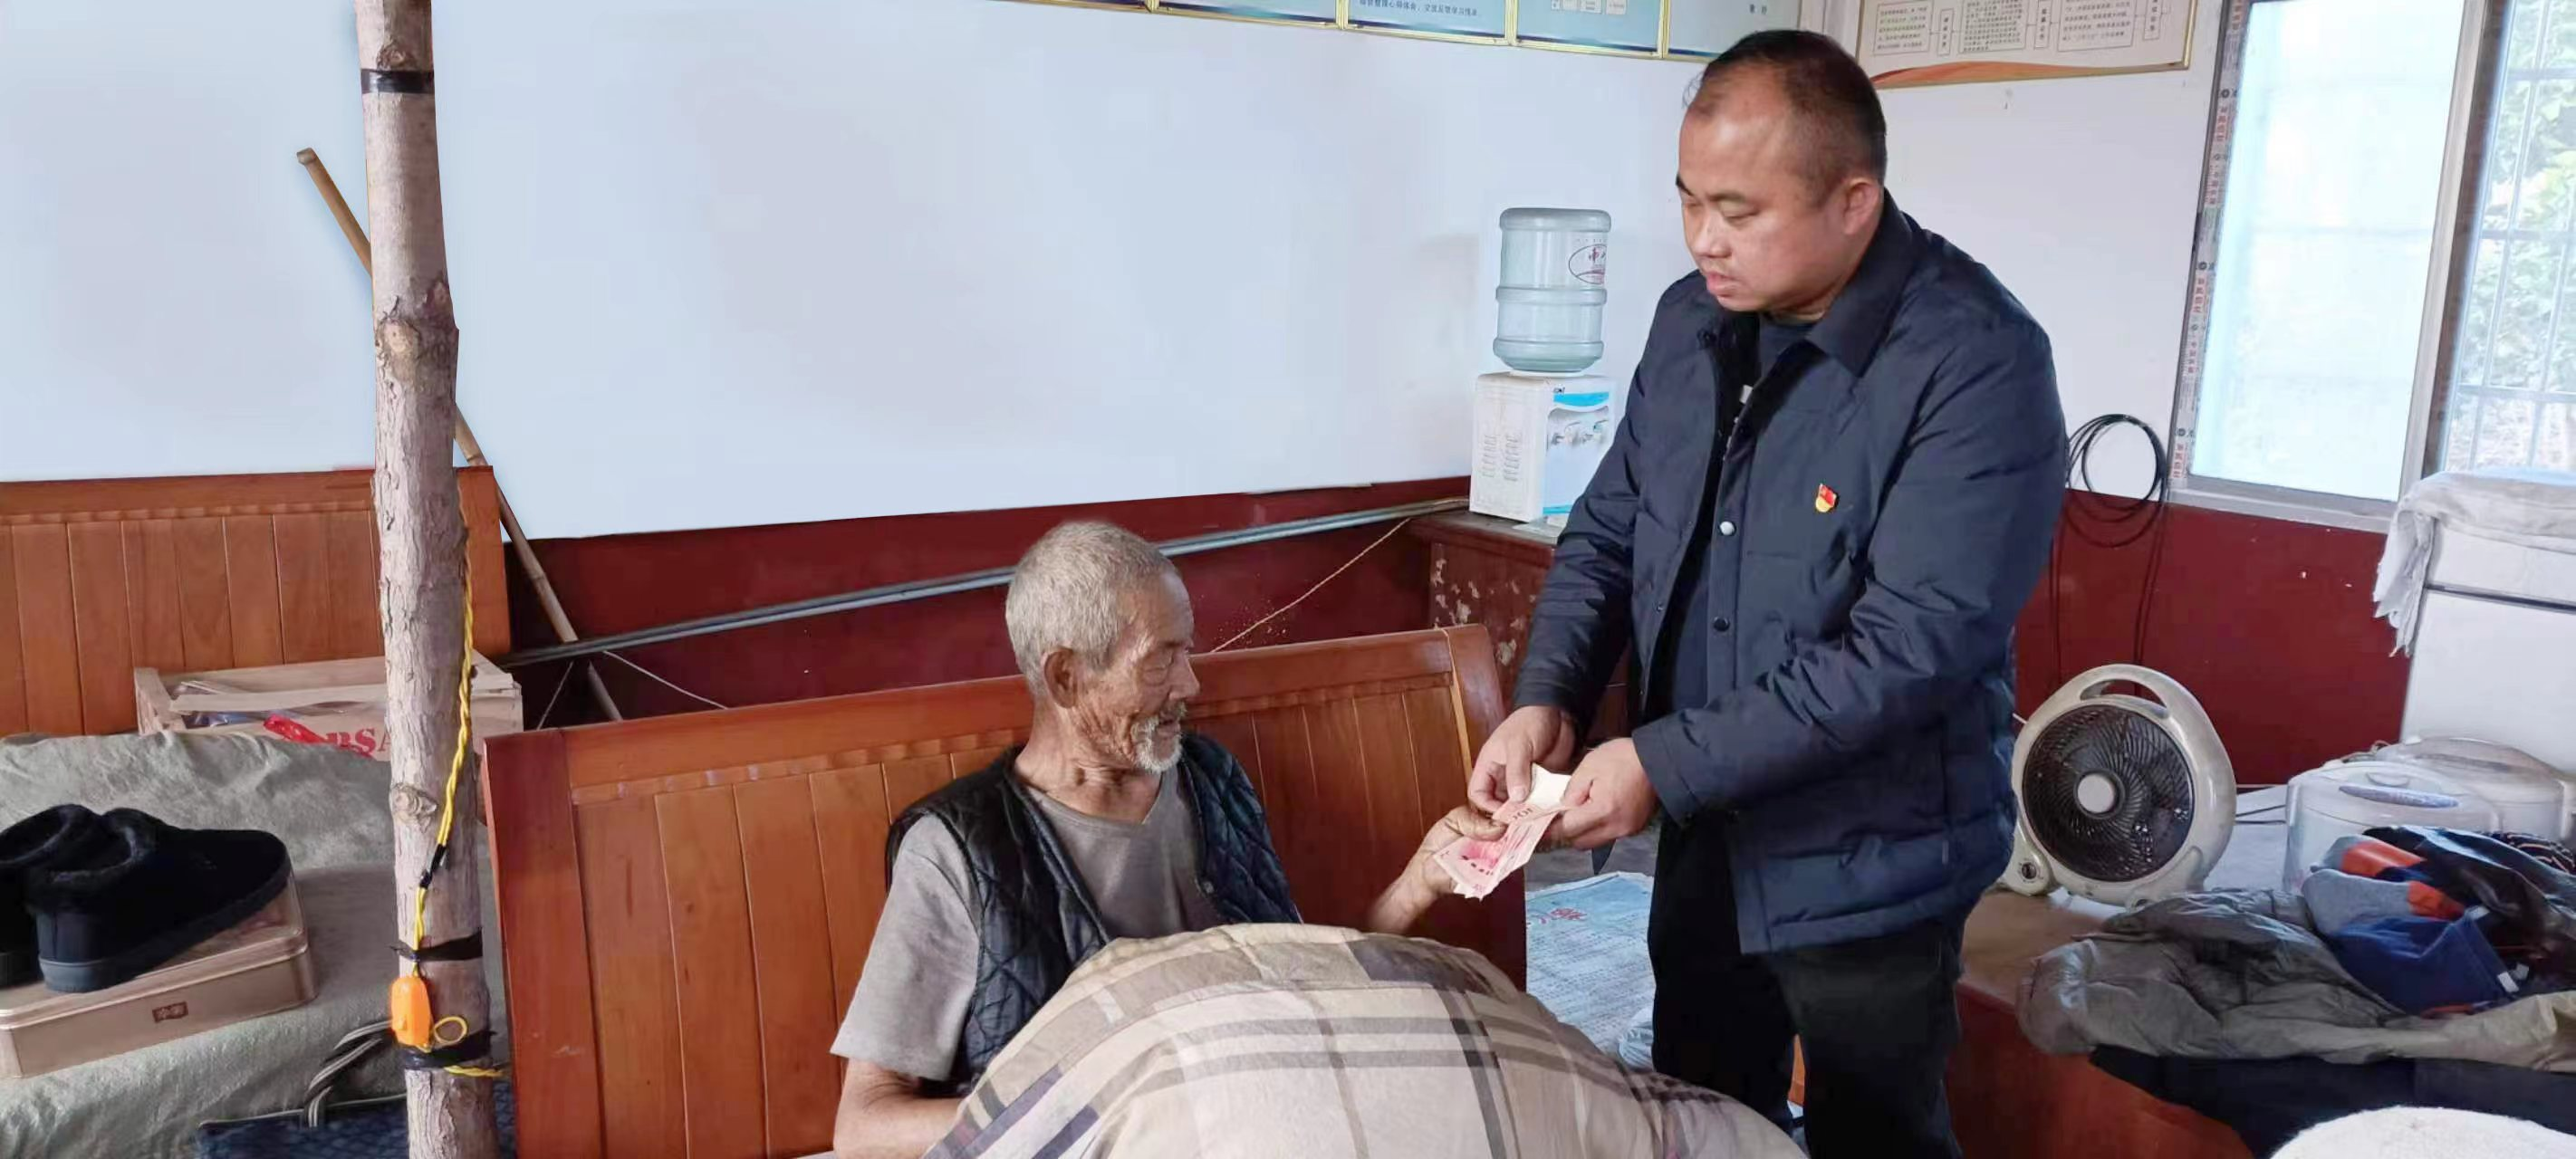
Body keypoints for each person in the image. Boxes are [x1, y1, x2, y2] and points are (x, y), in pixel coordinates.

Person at [1466, 30, 2066, 1159]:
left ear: (1853, 202)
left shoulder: (1976, 361)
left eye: (1738, 211)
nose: (1704, 238)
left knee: (1875, 1132)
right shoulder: (1688, 322)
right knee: (1700, 1111)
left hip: (1873, 859)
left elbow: (1910, 650)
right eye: (1690, 200)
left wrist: (1661, 762)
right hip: (1707, 836)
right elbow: (1608, 534)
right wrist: (1548, 697)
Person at [832, 520, 1501, 1159]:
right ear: (1066, 677)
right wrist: (1103, 1107)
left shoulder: (1211, 782)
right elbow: (864, 1127)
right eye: (1162, 659)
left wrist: (1418, 882)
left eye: (1188, 650)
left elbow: (1299, 980)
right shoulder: (957, 852)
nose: (1192, 683)